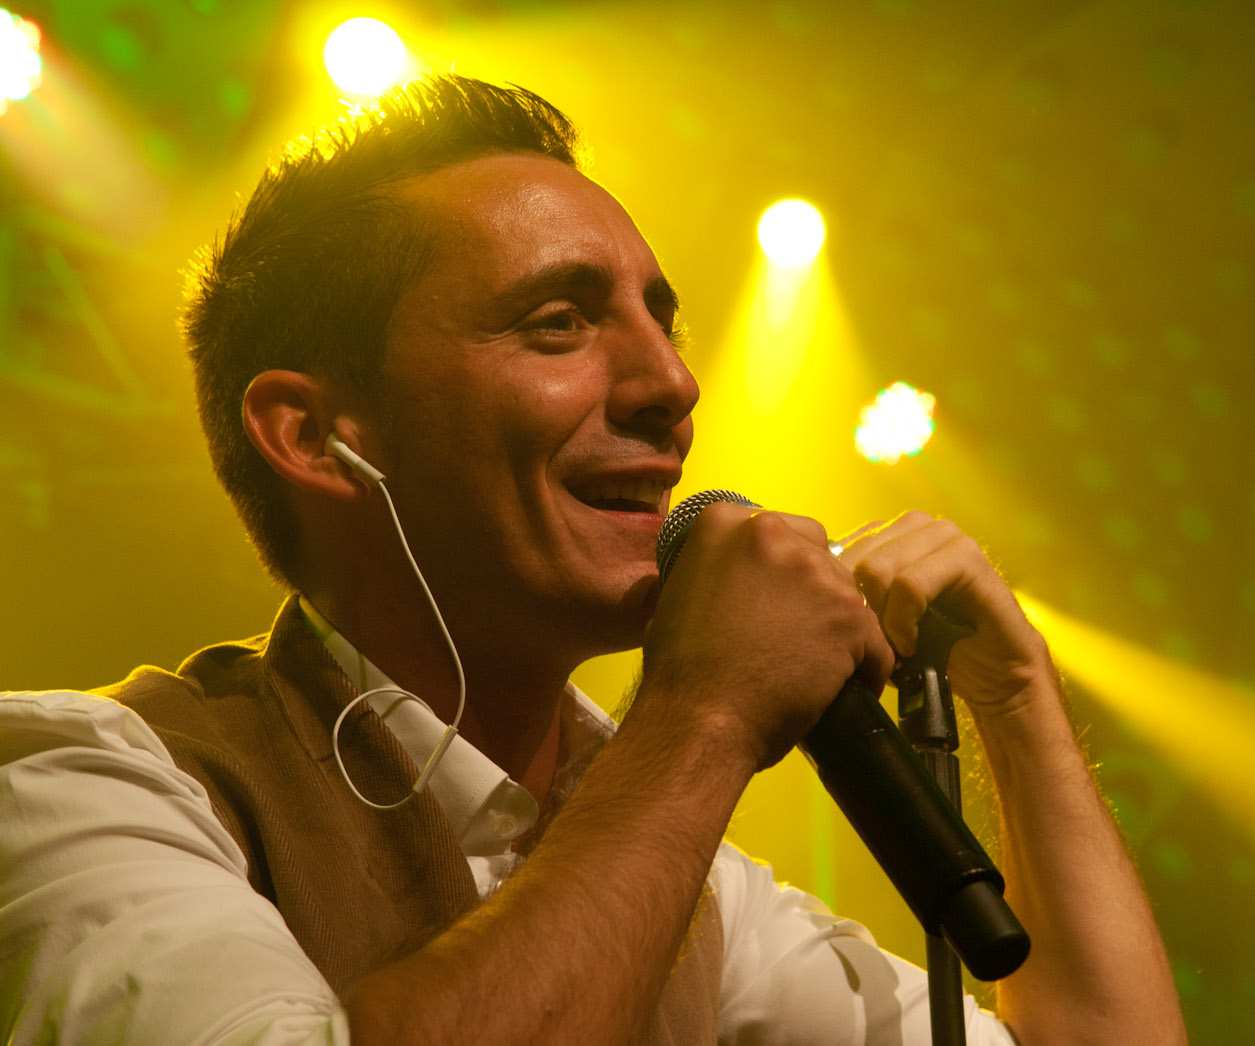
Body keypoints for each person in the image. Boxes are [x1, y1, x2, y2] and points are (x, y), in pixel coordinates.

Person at [0, 76, 1185, 1044]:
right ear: (316, 436)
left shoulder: (694, 885)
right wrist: (706, 712)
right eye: (557, 323)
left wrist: (1015, 694)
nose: (673, 383)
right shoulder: (81, 784)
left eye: (660, 321)